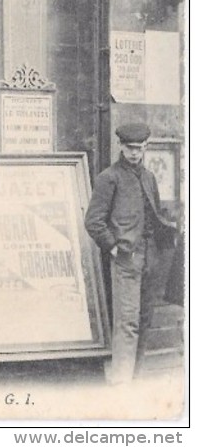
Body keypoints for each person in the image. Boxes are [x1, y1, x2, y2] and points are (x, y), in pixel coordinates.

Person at [84, 122, 177, 385]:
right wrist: (114, 248)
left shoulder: (148, 177)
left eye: (139, 149)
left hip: (151, 258)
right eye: (129, 148)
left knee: (144, 318)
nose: (134, 153)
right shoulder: (108, 178)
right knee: (127, 322)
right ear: (121, 147)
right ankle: (121, 385)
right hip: (126, 259)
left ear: (146, 148)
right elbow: (93, 221)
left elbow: (155, 213)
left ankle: (134, 381)